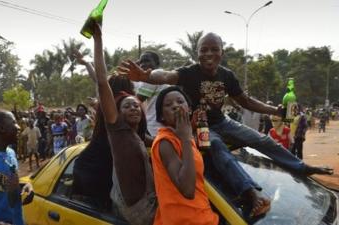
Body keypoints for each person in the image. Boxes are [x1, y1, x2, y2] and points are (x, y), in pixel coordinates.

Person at [119, 32, 333, 214]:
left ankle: (301, 166)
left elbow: (245, 101)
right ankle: (249, 192)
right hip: (200, 126)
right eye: (203, 50)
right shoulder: (188, 73)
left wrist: (274, 110)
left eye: (213, 49)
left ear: (222, 52)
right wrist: (146, 77)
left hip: (223, 121)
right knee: (218, 148)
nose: (208, 54)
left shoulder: (227, 76)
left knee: (261, 140)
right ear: (197, 53)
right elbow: (165, 75)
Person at [92, 23, 156, 225]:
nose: (134, 108)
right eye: (127, 107)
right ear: (116, 113)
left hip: (147, 203)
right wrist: (98, 39)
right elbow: (102, 82)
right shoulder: (117, 130)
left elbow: (156, 142)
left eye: (136, 105)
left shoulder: (139, 135)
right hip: (134, 213)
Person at [71, 57, 136, 210]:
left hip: (90, 166)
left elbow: (98, 79)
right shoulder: (117, 107)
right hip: (96, 172)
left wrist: (87, 63)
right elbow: (100, 80)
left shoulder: (116, 105)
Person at [151, 86, 219, 225]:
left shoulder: (185, 135)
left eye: (180, 101)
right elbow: (188, 190)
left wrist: (188, 135)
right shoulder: (165, 142)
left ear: (189, 109)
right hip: (185, 220)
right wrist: (187, 138)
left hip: (202, 215)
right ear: (162, 115)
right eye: (168, 105)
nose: (176, 106)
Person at [136, 51, 169, 137]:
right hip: (162, 127)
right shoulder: (163, 75)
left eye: (146, 61)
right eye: (141, 62)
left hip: (153, 128)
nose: (142, 65)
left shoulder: (153, 75)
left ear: (157, 63)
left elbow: (136, 100)